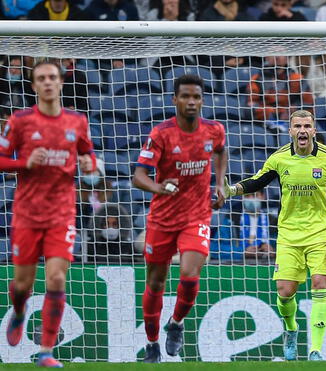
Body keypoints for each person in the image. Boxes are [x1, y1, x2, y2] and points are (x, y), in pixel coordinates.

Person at [222, 109, 326, 361]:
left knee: (320, 285)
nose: (302, 130)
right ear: (290, 131)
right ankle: (291, 329)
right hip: (289, 234)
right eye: (297, 126)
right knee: (284, 292)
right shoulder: (279, 158)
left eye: (306, 126)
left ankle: (316, 350)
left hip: (320, 233)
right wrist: (233, 190)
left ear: (313, 130)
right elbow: (257, 182)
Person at [1, 60, 97, 368]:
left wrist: (88, 164)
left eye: (52, 77)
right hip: (27, 214)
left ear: (60, 82)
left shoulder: (77, 121)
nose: (47, 82)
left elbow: (88, 153)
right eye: (41, 78)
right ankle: (18, 312)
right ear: (33, 86)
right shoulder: (19, 121)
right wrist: (24, 163)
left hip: (61, 213)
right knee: (21, 284)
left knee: (56, 279)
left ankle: (45, 352)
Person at [133, 74, 227, 363]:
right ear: (175, 100)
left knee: (189, 273)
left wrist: (220, 184)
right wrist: (158, 187)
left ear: (202, 100)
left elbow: (221, 152)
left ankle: (175, 323)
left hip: (196, 215)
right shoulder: (161, 134)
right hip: (162, 219)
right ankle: (152, 344)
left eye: (196, 97)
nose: (191, 102)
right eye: (185, 96)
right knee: (156, 283)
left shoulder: (214, 130)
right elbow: (138, 176)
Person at [239, 191, 276, 260]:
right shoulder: (231, 219)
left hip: (266, 265)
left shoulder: (273, 221)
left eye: (254, 195)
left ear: (263, 196)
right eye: (247, 196)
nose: (251, 199)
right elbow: (214, 247)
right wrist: (242, 251)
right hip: (237, 265)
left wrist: (272, 249)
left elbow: (284, 245)